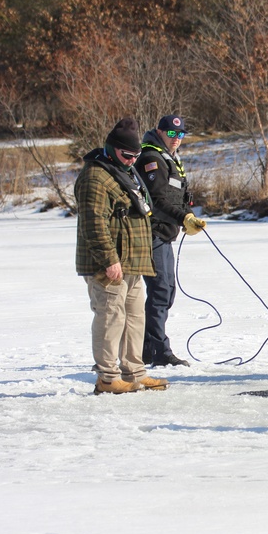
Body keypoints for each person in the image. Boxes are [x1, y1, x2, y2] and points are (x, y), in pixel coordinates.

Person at [75, 117, 168, 394]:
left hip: (132, 263)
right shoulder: (96, 176)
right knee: (110, 317)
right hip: (109, 265)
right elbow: (94, 223)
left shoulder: (125, 171)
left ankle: (134, 372)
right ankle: (107, 377)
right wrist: (109, 259)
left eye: (136, 156)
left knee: (135, 317)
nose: (131, 160)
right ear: (111, 148)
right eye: (127, 155)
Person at [135, 115, 206, 367]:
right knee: (161, 291)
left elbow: (175, 195)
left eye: (181, 135)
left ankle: (145, 349)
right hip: (151, 234)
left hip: (164, 234)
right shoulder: (151, 158)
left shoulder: (169, 157)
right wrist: (183, 217)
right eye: (172, 134)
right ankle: (159, 351)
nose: (177, 140)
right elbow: (158, 201)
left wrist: (185, 215)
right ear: (160, 132)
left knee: (166, 291)